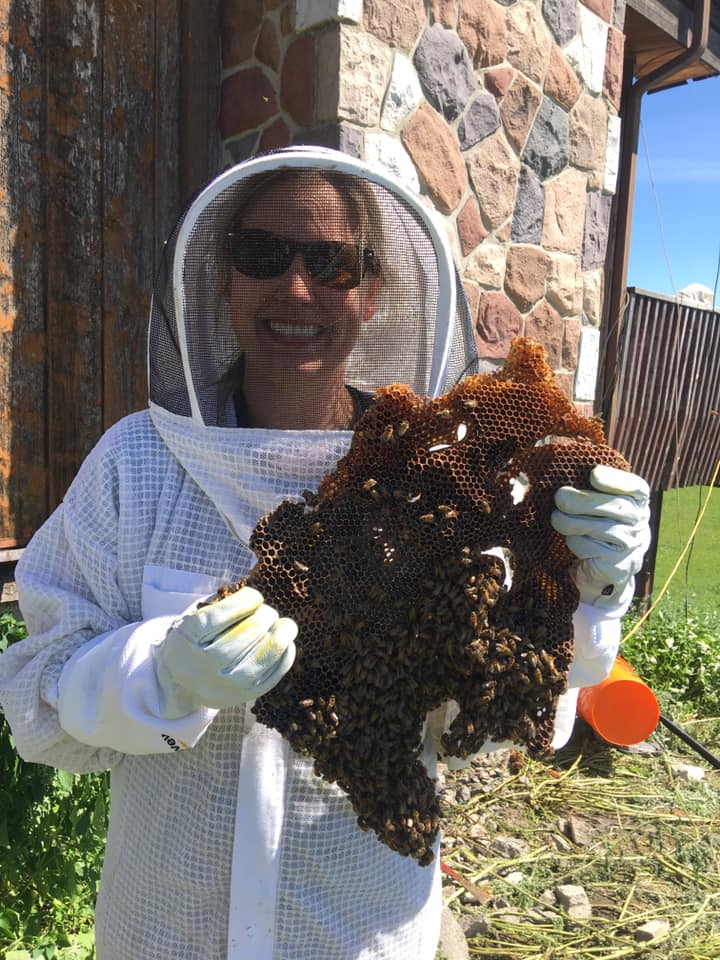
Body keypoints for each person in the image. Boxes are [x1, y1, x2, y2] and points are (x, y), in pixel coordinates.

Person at [0, 146, 651, 960]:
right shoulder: (137, 466)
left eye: (333, 264)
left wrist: (589, 590)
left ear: (375, 292)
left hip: (361, 933)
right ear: (225, 280)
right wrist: (157, 673)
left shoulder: (442, 489)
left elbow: (509, 714)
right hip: (163, 933)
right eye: (262, 257)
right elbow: (38, 702)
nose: (296, 289)